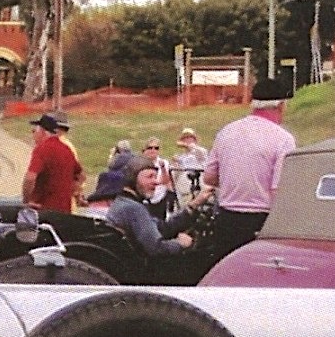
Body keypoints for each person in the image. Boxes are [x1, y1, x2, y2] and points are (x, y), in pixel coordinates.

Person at [195, 77, 297, 262]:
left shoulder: (226, 132)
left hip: (226, 217)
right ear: (281, 105)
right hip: (260, 220)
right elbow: (278, 189)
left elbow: (209, 177)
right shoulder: (283, 139)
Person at [108, 160, 196, 259]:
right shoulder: (133, 208)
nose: (156, 182)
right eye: (149, 177)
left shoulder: (122, 202)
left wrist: (194, 205)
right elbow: (156, 249)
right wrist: (180, 243)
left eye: (155, 177)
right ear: (132, 179)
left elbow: (162, 227)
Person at [21, 111, 83, 213]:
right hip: (64, 212)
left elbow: (30, 178)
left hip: (43, 211)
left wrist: (26, 201)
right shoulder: (66, 149)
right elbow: (81, 176)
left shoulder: (42, 148)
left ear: (43, 131)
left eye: (34, 131)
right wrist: (73, 192)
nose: (33, 134)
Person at [172, 126, 208, 200]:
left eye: (190, 137)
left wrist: (188, 145)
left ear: (194, 140)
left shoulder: (200, 151)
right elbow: (175, 176)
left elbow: (201, 153)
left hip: (199, 189)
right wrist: (176, 165)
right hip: (184, 191)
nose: (187, 140)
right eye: (185, 138)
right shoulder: (181, 157)